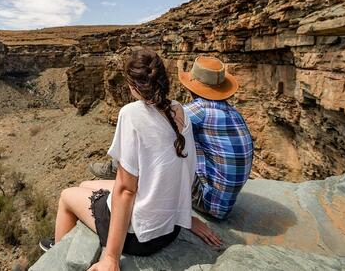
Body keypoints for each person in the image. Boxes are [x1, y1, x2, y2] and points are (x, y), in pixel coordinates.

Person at [40, 48, 219, 270]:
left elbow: (126, 190)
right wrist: (185, 218)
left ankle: (58, 254)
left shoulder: (131, 113)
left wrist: (111, 258)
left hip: (142, 238)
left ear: (133, 86)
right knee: (86, 184)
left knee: (67, 196)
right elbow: (177, 171)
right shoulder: (179, 110)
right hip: (170, 229)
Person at [89, 56, 253, 224]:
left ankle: (115, 168)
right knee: (181, 139)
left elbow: (154, 129)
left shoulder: (199, 111)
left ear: (193, 86)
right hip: (225, 202)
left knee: (159, 138)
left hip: (208, 201)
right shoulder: (233, 112)